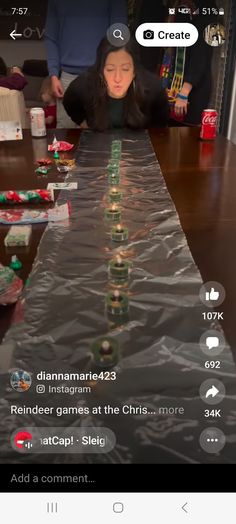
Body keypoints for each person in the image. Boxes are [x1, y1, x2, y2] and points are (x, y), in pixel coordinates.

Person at [44, 0, 127, 128]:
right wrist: (53, 75)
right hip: (66, 79)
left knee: (103, 137)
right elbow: (51, 37)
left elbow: (119, 34)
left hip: (102, 77)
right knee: (66, 136)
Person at [133, 0, 217, 125]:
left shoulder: (206, 7)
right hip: (167, 85)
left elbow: (202, 52)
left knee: (184, 138)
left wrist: (184, 92)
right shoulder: (173, 4)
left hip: (189, 93)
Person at [63, 37, 169, 131]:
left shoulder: (153, 88)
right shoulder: (85, 84)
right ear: (100, 71)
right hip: (99, 146)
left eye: (125, 69)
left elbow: (160, 125)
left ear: (135, 71)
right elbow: (69, 102)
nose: (117, 78)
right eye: (110, 69)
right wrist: (83, 123)